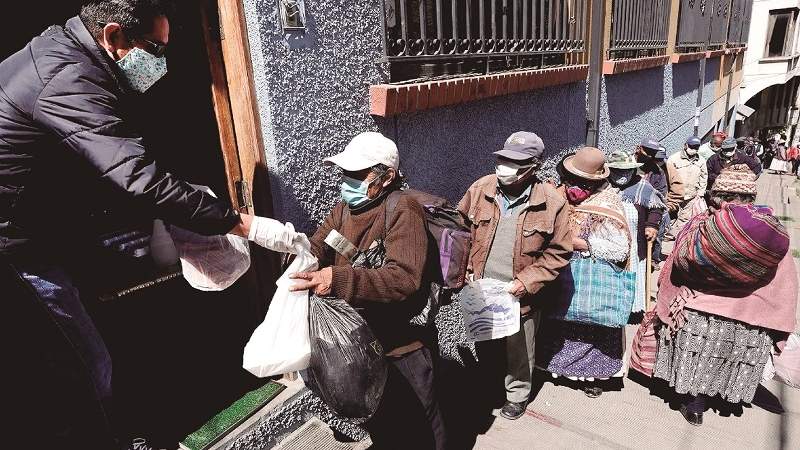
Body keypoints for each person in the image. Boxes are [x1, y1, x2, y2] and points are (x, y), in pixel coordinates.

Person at [0, 2, 275, 447]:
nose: (161, 62)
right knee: (86, 362)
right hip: (16, 246)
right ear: (113, 36)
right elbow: (137, 178)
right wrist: (237, 223)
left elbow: (109, 163)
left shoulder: (67, 53)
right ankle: (109, 438)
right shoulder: (67, 79)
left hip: (46, 223)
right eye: (154, 48)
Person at [294, 131, 446, 449]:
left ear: (387, 176)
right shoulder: (344, 210)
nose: (347, 181)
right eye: (344, 173)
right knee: (383, 422)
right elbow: (319, 244)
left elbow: (403, 278)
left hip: (403, 348)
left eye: (356, 174)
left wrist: (335, 279)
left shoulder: (403, 210)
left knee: (420, 429)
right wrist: (292, 250)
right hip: (363, 343)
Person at [652, 165, 797, 426]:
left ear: (717, 195)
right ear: (751, 197)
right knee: (732, 359)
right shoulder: (770, 232)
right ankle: (727, 400)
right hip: (751, 316)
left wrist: (668, 300)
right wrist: (778, 318)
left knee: (699, 358)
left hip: (702, 311)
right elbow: (784, 282)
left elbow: (677, 264)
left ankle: (695, 407)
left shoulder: (703, 223)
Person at [457, 132, 572, 420]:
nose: (504, 167)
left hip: (520, 292)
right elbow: (459, 231)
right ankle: (489, 387)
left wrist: (526, 282)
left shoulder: (551, 201)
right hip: (483, 288)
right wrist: (465, 267)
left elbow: (559, 252)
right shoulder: (482, 188)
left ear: (534, 166)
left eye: (514, 162)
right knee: (486, 340)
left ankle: (517, 394)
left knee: (519, 348)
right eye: (503, 159)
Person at [536, 147, 633, 398]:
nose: (576, 188)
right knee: (556, 321)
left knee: (592, 323)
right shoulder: (555, 195)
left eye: (585, 183)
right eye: (573, 180)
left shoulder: (607, 206)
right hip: (558, 271)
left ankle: (594, 375)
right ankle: (551, 366)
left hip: (591, 275)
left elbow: (620, 250)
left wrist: (583, 244)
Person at [607, 150, 665, 313]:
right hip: (608, 239)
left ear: (633, 169)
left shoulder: (642, 185)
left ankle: (632, 309)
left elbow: (657, 207)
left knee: (633, 271)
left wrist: (652, 225)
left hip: (634, 240)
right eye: (617, 170)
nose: (622, 174)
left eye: (626, 170)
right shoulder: (603, 184)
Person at [665, 136, 708, 240]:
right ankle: (665, 233)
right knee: (670, 215)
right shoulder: (673, 159)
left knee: (685, 217)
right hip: (674, 195)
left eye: (696, 147)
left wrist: (700, 193)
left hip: (691, 195)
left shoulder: (701, 161)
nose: (694, 149)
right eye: (692, 146)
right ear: (685, 145)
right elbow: (667, 177)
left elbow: (704, 176)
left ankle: (674, 236)